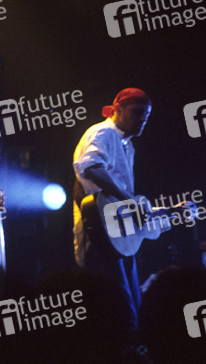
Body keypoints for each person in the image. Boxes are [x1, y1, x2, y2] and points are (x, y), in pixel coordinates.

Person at [72, 88, 152, 329]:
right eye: (137, 112)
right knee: (113, 302)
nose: (142, 119)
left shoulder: (127, 144)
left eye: (146, 115)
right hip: (101, 230)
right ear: (117, 109)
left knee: (129, 301)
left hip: (118, 230)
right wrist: (129, 200)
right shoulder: (103, 132)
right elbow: (91, 167)